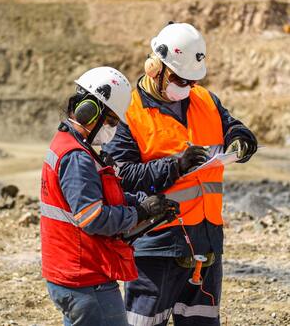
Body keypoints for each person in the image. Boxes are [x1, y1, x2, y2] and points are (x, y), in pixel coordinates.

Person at [103, 23, 258, 326]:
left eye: (190, 80)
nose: (185, 86)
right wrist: (174, 166)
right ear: (154, 67)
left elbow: (233, 127)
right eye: (178, 78)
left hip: (206, 243)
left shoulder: (205, 100)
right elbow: (123, 176)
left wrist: (242, 140)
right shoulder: (127, 112)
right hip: (155, 245)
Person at [41, 66, 179, 326]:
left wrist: (143, 205)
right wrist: (140, 213)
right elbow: (92, 217)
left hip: (73, 273)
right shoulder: (77, 157)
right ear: (90, 111)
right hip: (86, 277)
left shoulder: (70, 146)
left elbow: (103, 198)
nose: (113, 129)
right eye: (112, 121)